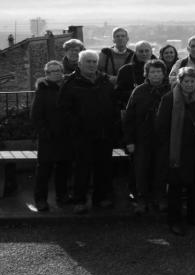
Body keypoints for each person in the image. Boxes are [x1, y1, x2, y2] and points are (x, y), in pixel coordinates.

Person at [58, 50, 119, 214]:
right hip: (81, 135)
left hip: (104, 133)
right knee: (82, 169)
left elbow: (113, 106)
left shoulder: (105, 81)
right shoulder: (71, 83)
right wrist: (77, 126)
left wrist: (112, 126)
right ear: (79, 64)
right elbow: (64, 110)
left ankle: (100, 199)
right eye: (88, 62)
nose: (92, 65)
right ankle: (80, 200)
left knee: (103, 167)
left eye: (94, 61)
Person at [156, 67, 195, 236]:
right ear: (179, 82)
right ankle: (174, 221)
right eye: (185, 81)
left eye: (192, 81)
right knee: (175, 188)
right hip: (176, 151)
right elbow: (161, 126)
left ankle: (193, 217)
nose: (189, 84)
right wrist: (167, 150)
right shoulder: (169, 99)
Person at [123, 59, 170, 215]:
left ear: (164, 74)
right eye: (152, 72)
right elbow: (128, 118)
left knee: (161, 170)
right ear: (146, 74)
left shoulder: (170, 91)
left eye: (159, 71)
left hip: (163, 139)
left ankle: (160, 198)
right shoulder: (139, 91)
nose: (156, 75)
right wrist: (129, 141)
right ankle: (141, 199)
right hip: (142, 138)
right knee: (141, 170)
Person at [31, 61, 73, 211]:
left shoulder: (67, 88)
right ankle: (40, 200)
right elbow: (36, 116)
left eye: (58, 70)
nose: (56, 73)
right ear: (46, 74)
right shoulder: (42, 90)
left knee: (63, 169)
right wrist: (45, 133)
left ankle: (62, 196)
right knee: (44, 170)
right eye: (52, 71)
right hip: (48, 138)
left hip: (65, 136)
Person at [115, 40, 154, 109]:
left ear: (151, 52)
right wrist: (136, 93)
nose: (144, 54)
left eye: (147, 51)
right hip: (133, 109)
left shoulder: (160, 69)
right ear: (135, 53)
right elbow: (118, 94)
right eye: (141, 51)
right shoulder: (125, 70)